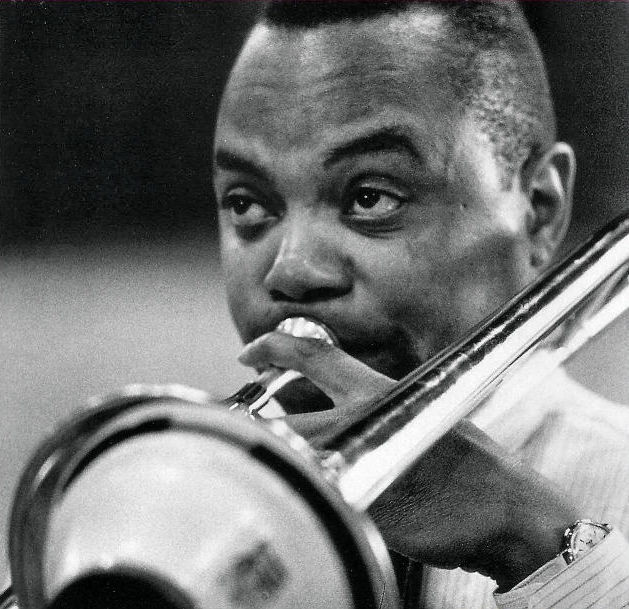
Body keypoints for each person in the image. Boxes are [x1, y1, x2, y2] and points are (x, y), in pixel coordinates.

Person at [212, 1, 629, 607]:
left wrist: (530, 542)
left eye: (371, 196)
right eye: (246, 204)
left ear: (538, 211)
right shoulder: (190, 506)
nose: (291, 270)